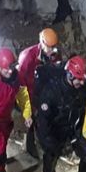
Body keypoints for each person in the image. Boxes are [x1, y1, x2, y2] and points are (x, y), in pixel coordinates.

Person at [33, 56, 86, 172]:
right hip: (55, 130)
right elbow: (43, 120)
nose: (82, 82)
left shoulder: (82, 87)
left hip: (73, 128)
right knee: (52, 154)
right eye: (79, 79)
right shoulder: (52, 92)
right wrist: (48, 140)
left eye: (84, 79)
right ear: (69, 75)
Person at [18, 28, 63, 158]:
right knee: (31, 119)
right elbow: (21, 85)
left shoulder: (54, 55)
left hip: (44, 91)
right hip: (28, 92)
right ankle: (30, 145)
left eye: (53, 47)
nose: (51, 51)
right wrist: (28, 106)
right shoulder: (28, 57)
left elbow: (56, 73)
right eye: (49, 47)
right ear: (42, 43)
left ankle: (49, 141)